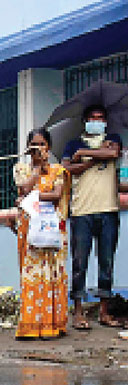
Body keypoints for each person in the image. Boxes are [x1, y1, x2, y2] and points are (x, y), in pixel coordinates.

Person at [61, 105, 123, 330]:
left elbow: (113, 153)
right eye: (93, 118)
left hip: (108, 210)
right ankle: (78, 311)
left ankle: (104, 311)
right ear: (85, 121)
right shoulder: (73, 144)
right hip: (81, 212)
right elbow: (68, 169)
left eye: (101, 118)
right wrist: (86, 158)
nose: (97, 121)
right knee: (80, 263)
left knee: (106, 262)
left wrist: (83, 157)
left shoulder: (114, 138)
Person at [13, 128, 70, 339]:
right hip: (29, 230)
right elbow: (23, 190)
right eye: (34, 145)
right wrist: (36, 170)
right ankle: (31, 325)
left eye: (42, 145)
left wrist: (30, 199)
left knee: (53, 275)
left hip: (52, 229)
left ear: (49, 147)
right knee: (32, 275)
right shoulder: (21, 169)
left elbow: (57, 195)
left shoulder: (59, 171)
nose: (38, 149)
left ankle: (52, 324)